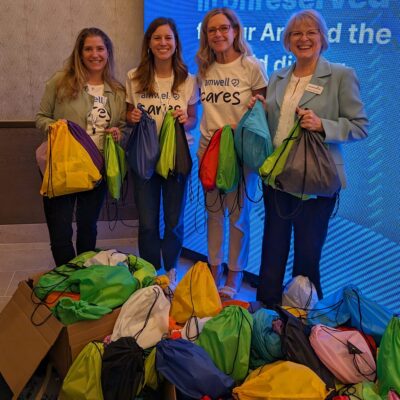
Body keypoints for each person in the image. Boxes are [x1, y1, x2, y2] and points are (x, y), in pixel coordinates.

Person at [254, 9, 368, 308]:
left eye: (310, 33)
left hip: (314, 182)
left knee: (307, 255)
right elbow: (277, 122)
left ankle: (301, 323)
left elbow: (360, 126)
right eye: (296, 34)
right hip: (278, 177)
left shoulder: (341, 76)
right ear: (287, 41)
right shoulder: (278, 76)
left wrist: (323, 125)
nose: (303, 39)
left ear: (322, 39)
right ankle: (264, 314)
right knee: (272, 249)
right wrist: (260, 110)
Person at [36, 27, 126, 267]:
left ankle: (85, 275)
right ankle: (66, 276)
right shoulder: (60, 81)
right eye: (88, 48)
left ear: (108, 53)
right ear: (79, 52)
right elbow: (42, 117)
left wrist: (118, 132)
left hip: (96, 167)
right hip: (63, 165)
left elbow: (123, 126)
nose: (94, 54)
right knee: (60, 229)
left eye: (100, 48)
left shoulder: (117, 90)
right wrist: (57, 127)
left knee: (88, 226)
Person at [196, 8, 268, 299]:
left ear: (235, 31)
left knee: (238, 216)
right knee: (213, 213)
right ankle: (214, 268)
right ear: (206, 35)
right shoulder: (204, 67)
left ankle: (235, 272)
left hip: (239, 151)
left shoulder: (251, 66)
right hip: (208, 149)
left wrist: (247, 120)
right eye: (212, 30)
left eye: (224, 28)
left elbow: (263, 108)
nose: (218, 34)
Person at [126, 17, 198, 289]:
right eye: (157, 38)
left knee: (173, 222)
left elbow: (193, 118)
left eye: (168, 38)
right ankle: (149, 271)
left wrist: (184, 119)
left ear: (176, 43)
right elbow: (126, 114)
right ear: (149, 43)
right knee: (147, 223)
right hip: (144, 158)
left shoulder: (188, 79)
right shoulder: (134, 77)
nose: (163, 43)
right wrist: (131, 116)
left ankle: (170, 269)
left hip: (176, 159)